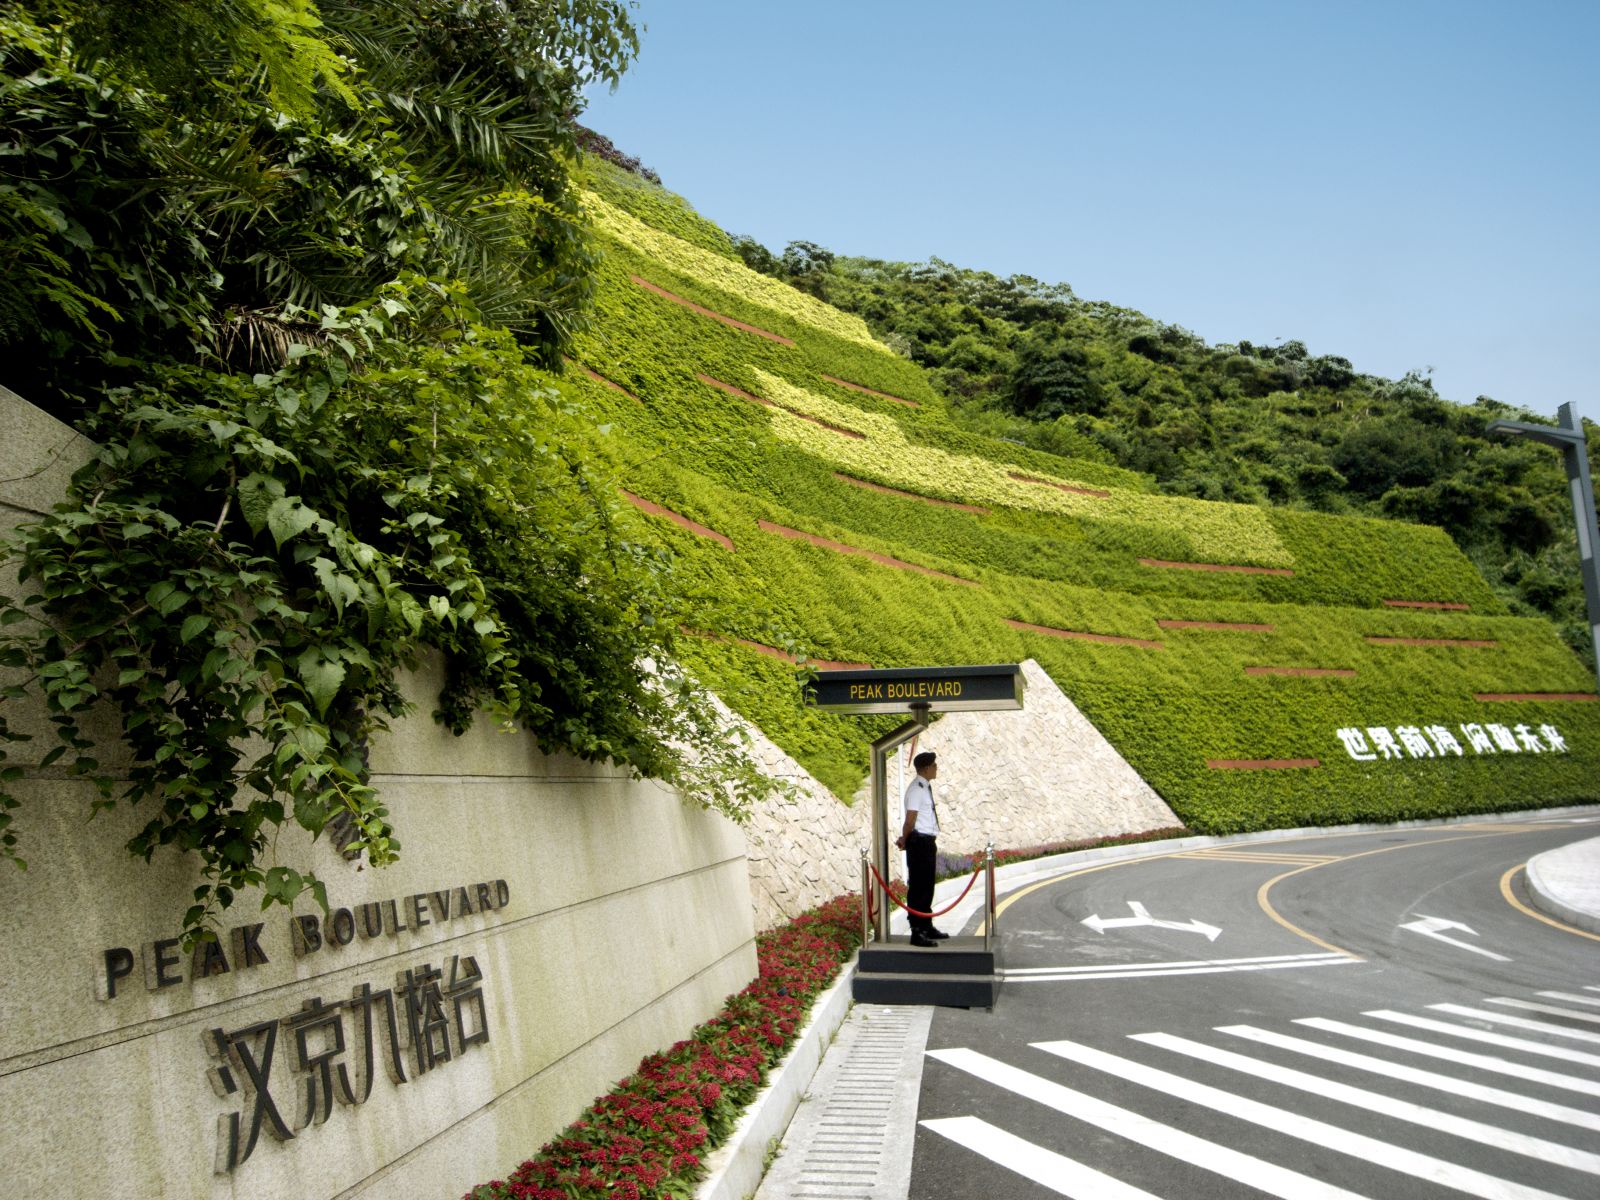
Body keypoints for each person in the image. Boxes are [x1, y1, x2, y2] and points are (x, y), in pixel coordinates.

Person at [895, 750, 948, 947]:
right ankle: (917, 930)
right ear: (926, 768)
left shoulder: (924, 787)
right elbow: (910, 820)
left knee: (927, 886)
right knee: (918, 887)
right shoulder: (917, 789)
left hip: (927, 842)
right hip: (919, 842)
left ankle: (926, 925)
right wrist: (905, 839)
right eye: (934, 765)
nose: (936, 768)